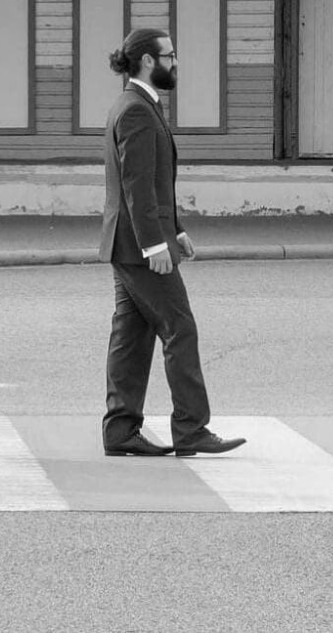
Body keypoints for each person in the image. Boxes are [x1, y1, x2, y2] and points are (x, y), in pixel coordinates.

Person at [99, 28, 244, 458]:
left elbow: (156, 182)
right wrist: (153, 246)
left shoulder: (137, 105)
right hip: (139, 248)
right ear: (147, 61)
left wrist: (175, 230)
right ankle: (191, 429)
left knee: (131, 336)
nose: (176, 62)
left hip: (129, 244)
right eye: (170, 55)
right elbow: (137, 185)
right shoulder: (137, 111)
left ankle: (121, 429)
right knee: (180, 329)